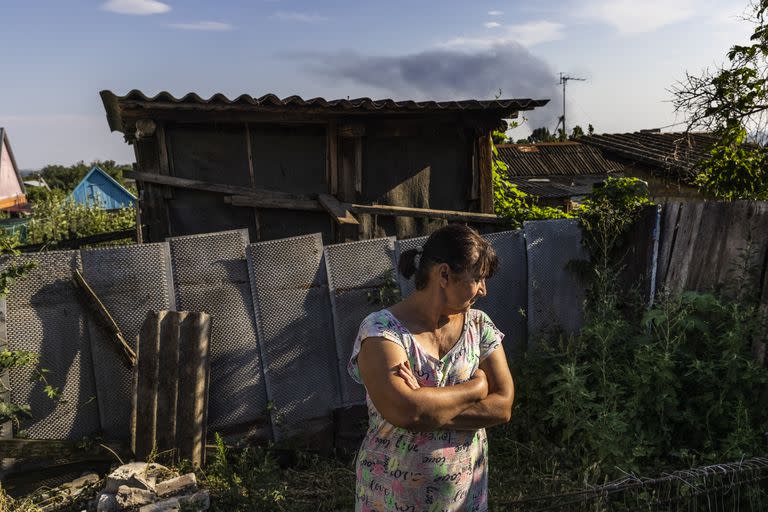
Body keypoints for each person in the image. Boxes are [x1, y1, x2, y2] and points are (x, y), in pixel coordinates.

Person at [348, 224, 515, 512]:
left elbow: (502, 407)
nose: (484, 291)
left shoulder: (479, 325)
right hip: (391, 499)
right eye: (477, 278)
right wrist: (474, 388)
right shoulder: (382, 331)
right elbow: (408, 411)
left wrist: (427, 408)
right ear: (444, 275)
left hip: (466, 498)